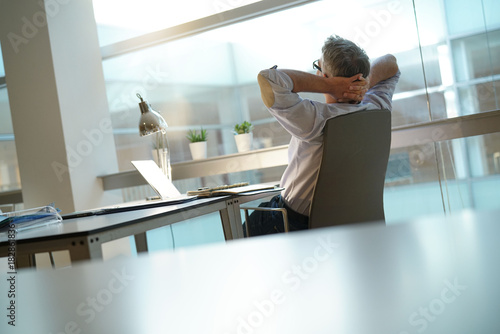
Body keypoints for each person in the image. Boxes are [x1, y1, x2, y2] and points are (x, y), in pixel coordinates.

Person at [245, 35, 400, 236]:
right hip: (354, 223)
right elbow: (391, 63)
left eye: (318, 69)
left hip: (295, 224)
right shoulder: (378, 107)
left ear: (323, 76)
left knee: (245, 230)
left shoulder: (315, 119)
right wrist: (362, 83)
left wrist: (330, 85)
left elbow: (268, 79)